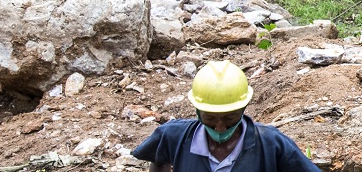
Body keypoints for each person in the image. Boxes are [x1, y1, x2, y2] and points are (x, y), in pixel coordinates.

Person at [130, 60, 322, 172]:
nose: (220, 127)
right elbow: (158, 161)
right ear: (197, 111)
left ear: (243, 108)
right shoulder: (173, 136)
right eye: (210, 118)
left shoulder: (271, 143)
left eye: (230, 118)